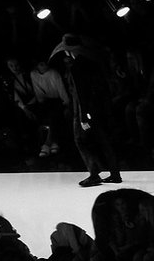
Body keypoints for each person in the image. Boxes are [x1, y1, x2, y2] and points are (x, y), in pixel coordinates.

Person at [50, 35, 122, 188]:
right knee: (103, 140)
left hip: (84, 109)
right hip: (98, 108)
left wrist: (84, 117)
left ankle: (94, 173)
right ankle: (115, 173)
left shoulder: (76, 67)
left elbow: (80, 94)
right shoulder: (92, 62)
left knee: (81, 140)